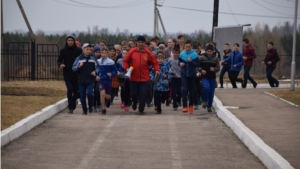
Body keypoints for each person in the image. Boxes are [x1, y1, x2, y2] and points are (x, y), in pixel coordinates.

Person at [123, 35, 160, 115]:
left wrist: (157, 70)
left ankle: (141, 109)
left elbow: (154, 63)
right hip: (133, 78)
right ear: (136, 43)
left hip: (145, 78)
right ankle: (134, 102)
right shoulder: (132, 51)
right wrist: (126, 68)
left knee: (143, 95)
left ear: (144, 43)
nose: (140, 44)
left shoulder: (148, 52)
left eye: (142, 42)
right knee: (133, 94)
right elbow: (125, 61)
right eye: (139, 42)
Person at [57, 35, 82, 114]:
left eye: (72, 40)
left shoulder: (78, 50)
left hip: (76, 73)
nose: (70, 42)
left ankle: (73, 102)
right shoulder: (63, 50)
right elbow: (59, 60)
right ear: (66, 42)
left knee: (76, 91)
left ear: (74, 41)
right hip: (67, 73)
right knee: (70, 89)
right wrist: (60, 64)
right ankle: (70, 106)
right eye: (69, 40)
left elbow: (82, 59)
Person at [72, 43, 99, 115]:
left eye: (90, 49)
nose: (89, 51)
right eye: (87, 49)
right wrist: (78, 67)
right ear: (83, 50)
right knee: (82, 96)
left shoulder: (93, 58)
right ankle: (84, 110)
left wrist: (95, 71)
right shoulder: (79, 58)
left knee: (90, 93)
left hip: (90, 79)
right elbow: (73, 68)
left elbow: (98, 67)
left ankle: (90, 106)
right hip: (81, 79)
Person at [178, 40, 200, 114]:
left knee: (191, 91)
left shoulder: (194, 54)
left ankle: (191, 106)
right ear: (184, 46)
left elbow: (197, 64)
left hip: (192, 75)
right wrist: (180, 64)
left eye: (189, 47)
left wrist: (191, 62)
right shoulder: (182, 54)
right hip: (184, 74)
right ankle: (184, 106)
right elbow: (179, 61)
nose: (187, 48)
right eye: (186, 47)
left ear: (191, 47)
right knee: (184, 89)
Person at [198, 44, 220, 112]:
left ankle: (209, 106)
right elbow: (198, 66)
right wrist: (201, 70)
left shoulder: (215, 59)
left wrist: (214, 69)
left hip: (212, 77)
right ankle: (204, 100)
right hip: (205, 77)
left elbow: (218, 68)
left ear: (213, 51)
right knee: (206, 88)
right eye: (208, 51)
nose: (209, 52)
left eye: (210, 51)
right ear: (206, 51)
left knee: (211, 92)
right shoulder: (202, 58)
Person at [97, 47, 118, 115]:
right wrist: (96, 75)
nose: (103, 54)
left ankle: (108, 100)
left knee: (108, 96)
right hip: (101, 80)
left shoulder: (110, 62)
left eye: (105, 53)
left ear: (107, 53)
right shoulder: (98, 61)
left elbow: (115, 71)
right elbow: (96, 70)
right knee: (102, 94)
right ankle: (103, 109)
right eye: (102, 53)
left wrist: (111, 74)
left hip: (108, 80)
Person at [93, 46, 101, 112]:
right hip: (92, 77)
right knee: (93, 92)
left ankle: (99, 104)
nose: (98, 53)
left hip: (100, 78)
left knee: (97, 91)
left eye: (99, 52)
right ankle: (93, 105)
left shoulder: (102, 59)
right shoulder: (92, 59)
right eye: (96, 52)